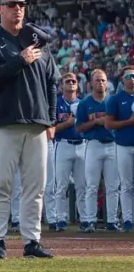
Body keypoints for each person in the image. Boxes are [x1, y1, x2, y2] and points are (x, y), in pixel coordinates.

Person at [0, 0, 57, 259]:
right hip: (5, 122)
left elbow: (52, 83)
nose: (17, 9)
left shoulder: (36, 41)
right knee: (1, 185)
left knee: (35, 186)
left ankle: (32, 241)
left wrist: (52, 119)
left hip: (36, 122)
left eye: (21, 4)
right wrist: (19, 61)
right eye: (11, 4)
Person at [78, 69, 116, 232]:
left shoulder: (112, 101)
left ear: (107, 83)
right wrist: (96, 122)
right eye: (97, 80)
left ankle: (112, 221)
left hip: (112, 144)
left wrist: (105, 122)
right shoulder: (85, 103)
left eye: (103, 80)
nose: (100, 83)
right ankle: (90, 220)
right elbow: (79, 127)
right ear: (91, 83)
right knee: (91, 185)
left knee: (113, 185)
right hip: (93, 144)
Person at [50, 73, 83, 231]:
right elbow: (51, 129)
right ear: (61, 85)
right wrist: (68, 123)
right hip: (62, 144)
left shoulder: (83, 104)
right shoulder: (56, 103)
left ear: (77, 85)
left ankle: (85, 218)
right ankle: (61, 219)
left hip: (82, 145)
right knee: (61, 186)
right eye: (67, 81)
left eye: (73, 81)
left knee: (82, 185)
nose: (71, 83)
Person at [104, 66, 134, 232]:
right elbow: (109, 124)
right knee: (127, 184)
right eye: (129, 76)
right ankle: (128, 219)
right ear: (122, 79)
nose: (132, 79)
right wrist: (129, 122)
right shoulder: (116, 99)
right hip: (123, 145)